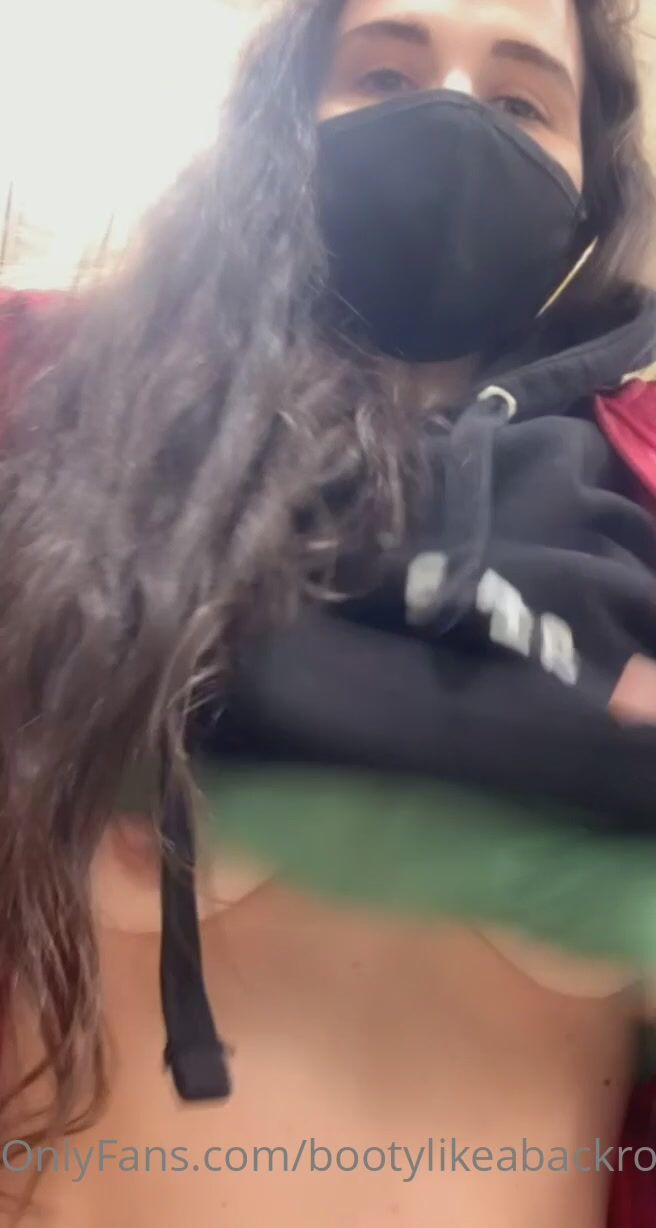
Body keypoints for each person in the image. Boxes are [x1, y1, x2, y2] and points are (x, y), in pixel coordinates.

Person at [1, 0, 656, 1225]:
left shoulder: (639, 507)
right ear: (281, 119)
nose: (451, 117)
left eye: (520, 101)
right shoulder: (58, 421)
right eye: (384, 74)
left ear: (588, 191)